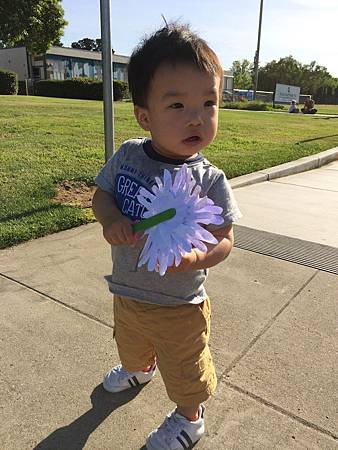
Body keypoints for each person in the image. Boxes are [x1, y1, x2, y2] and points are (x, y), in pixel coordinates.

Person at [92, 23, 242, 450]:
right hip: (127, 291)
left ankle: (190, 418)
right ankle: (139, 369)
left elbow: (225, 238)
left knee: (185, 369)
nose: (197, 116)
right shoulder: (129, 156)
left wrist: (197, 258)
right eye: (178, 104)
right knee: (131, 345)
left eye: (209, 103)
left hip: (179, 305)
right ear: (145, 116)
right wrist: (109, 220)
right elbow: (101, 196)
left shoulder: (209, 180)